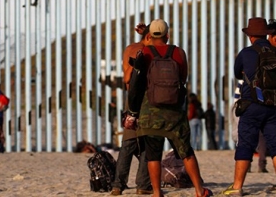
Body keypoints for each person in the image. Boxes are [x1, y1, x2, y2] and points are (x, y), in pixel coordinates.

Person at [137, 19, 212, 197]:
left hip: (150, 113)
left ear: (149, 36)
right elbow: (183, 78)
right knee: (186, 152)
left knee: (153, 154)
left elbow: (138, 83)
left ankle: (156, 192)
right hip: (174, 113)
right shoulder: (179, 53)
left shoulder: (145, 52)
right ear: (167, 36)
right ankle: (199, 190)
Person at [222, 17, 276, 196]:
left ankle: (237, 187)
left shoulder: (246, 53)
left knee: (245, 144)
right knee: (275, 145)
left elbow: (238, 73)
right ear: (266, 34)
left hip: (251, 105)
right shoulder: (274, 51)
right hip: (273, 105)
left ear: (250, 35)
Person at [110, 23, 152, 196]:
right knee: (148, 143)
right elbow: (129, 75)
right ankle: (142, 185)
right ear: (149, 37)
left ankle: (117, 186)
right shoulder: (148, 53)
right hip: (146, 101)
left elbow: (126, 76)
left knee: (127, 144)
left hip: (130, 101)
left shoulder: (130, 48)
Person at [231, 80, 268, 173]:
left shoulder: (244, 79)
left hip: (244, 108)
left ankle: (247, 163)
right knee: (261, 138)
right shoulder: (263, 77)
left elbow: (236, 97)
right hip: (262, 107)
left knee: (246, 137)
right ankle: (262, 163)